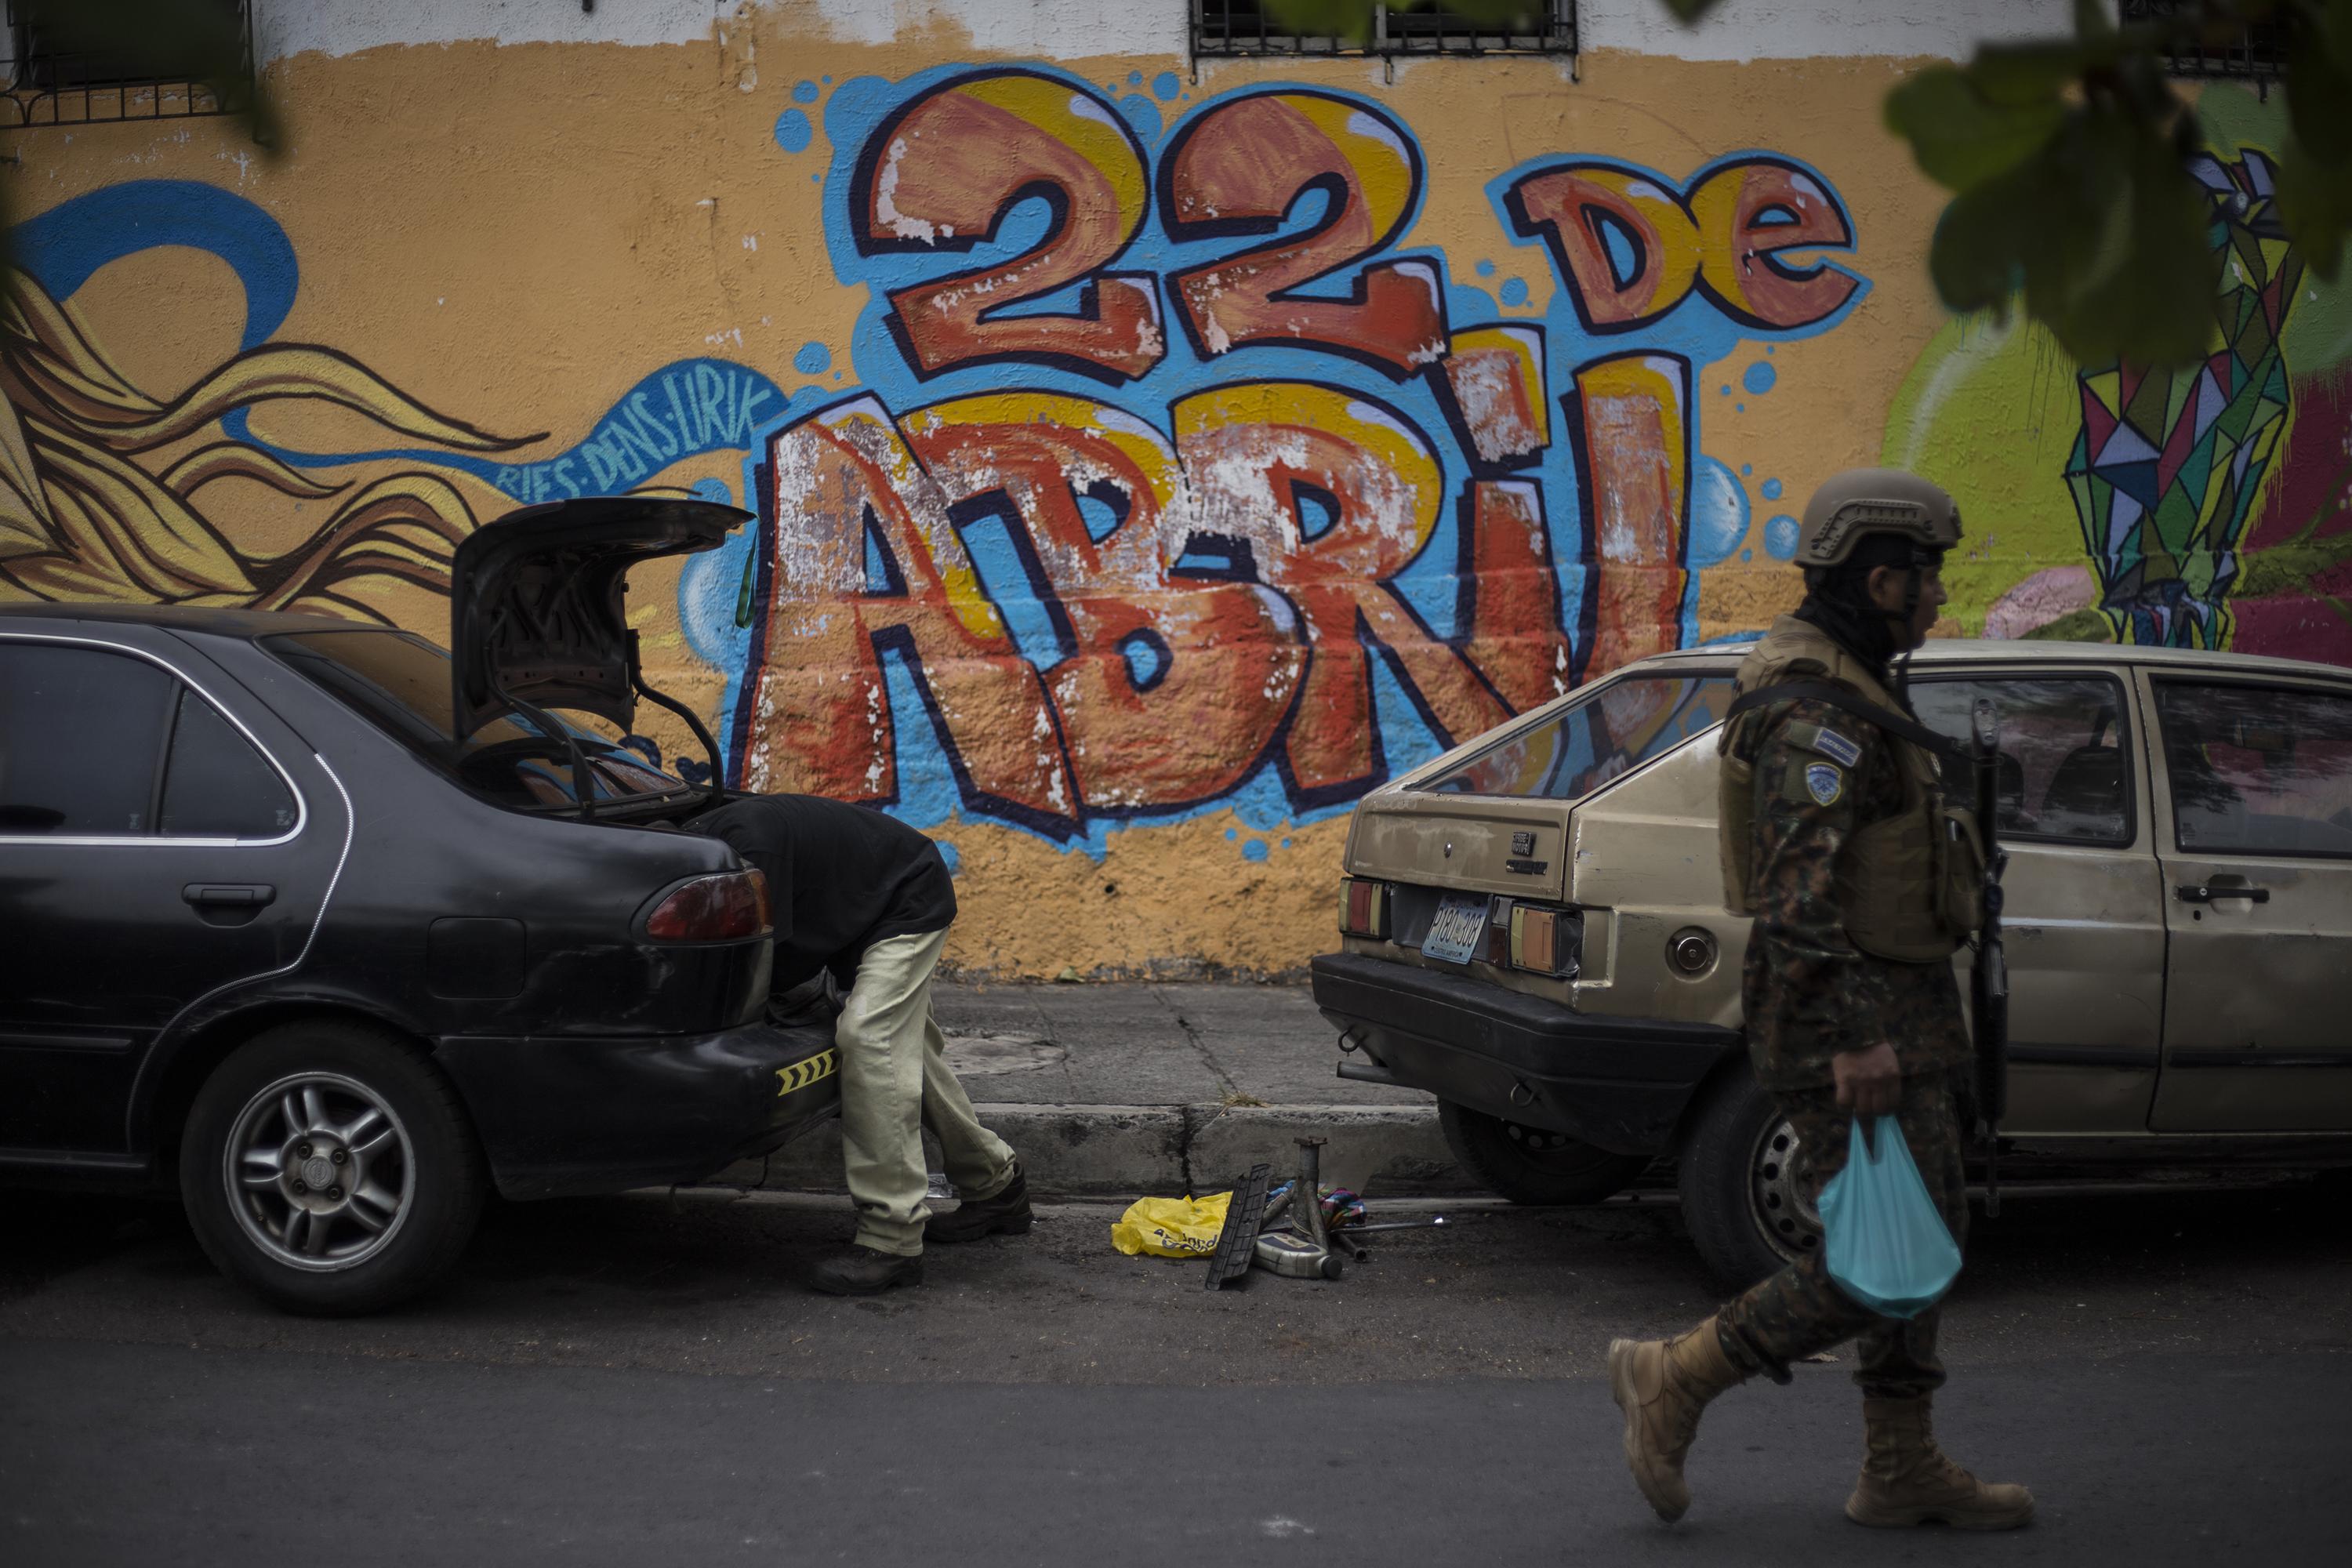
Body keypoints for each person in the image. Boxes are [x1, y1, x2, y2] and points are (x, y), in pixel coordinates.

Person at [1607, 468, 2034, 1530]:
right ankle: (1678, 1373)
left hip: (1900, 1011)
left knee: (1919, 1239)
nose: (1940, 598)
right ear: (1883, 580)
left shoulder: (1856, 679)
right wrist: (1852, 1041)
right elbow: (1798, 896)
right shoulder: (1818, 713)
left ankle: (1901, 1465)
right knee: (1878, 1263)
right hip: (1847, 1019)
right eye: (1928, 578)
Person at [690, 793, 1029, 1295]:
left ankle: (891, 1241)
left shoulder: (743, 849)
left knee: (869, 1038)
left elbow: (761, 962)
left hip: (906, 897)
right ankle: (996, 1185)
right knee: (898, 1046)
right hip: (856, 909)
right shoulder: (703, 841)